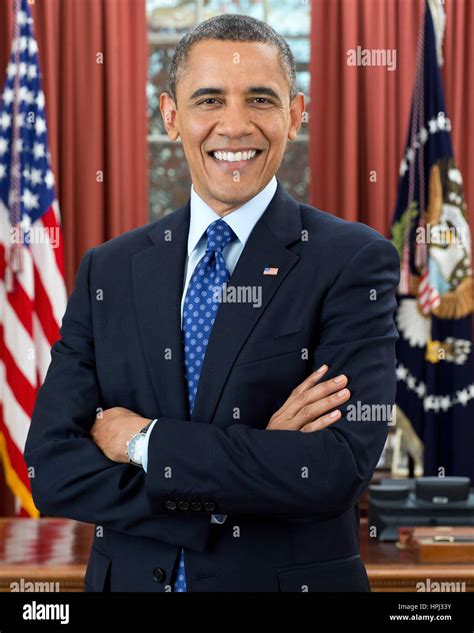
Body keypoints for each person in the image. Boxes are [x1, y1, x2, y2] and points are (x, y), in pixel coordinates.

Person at [24, 14, 400, 592]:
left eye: (260, 99)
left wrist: (142, 443)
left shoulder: (353, 261)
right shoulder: (111, 269)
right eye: (208, 100)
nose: (234, 124)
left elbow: (332, 471)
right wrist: (256, 463)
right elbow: (51, 470)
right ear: (171, 115)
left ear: (296, 114)